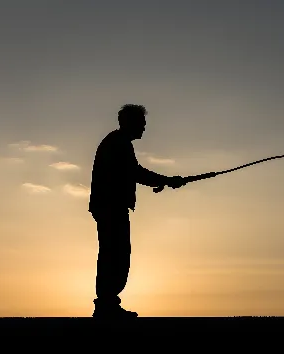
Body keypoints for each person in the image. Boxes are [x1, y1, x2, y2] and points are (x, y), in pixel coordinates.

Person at [88, 104, 214, 318]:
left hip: (108, 205)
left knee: (114, 253)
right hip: (111, 206)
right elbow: (135, 172)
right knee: (115, 254)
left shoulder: (118, 142)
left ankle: (107, 303)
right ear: (130, 123)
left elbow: (133, 172)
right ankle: (106, 305)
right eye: (142, 124)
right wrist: (167, 180)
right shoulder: (119, 143)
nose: (144, 128)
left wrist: (165, 181)